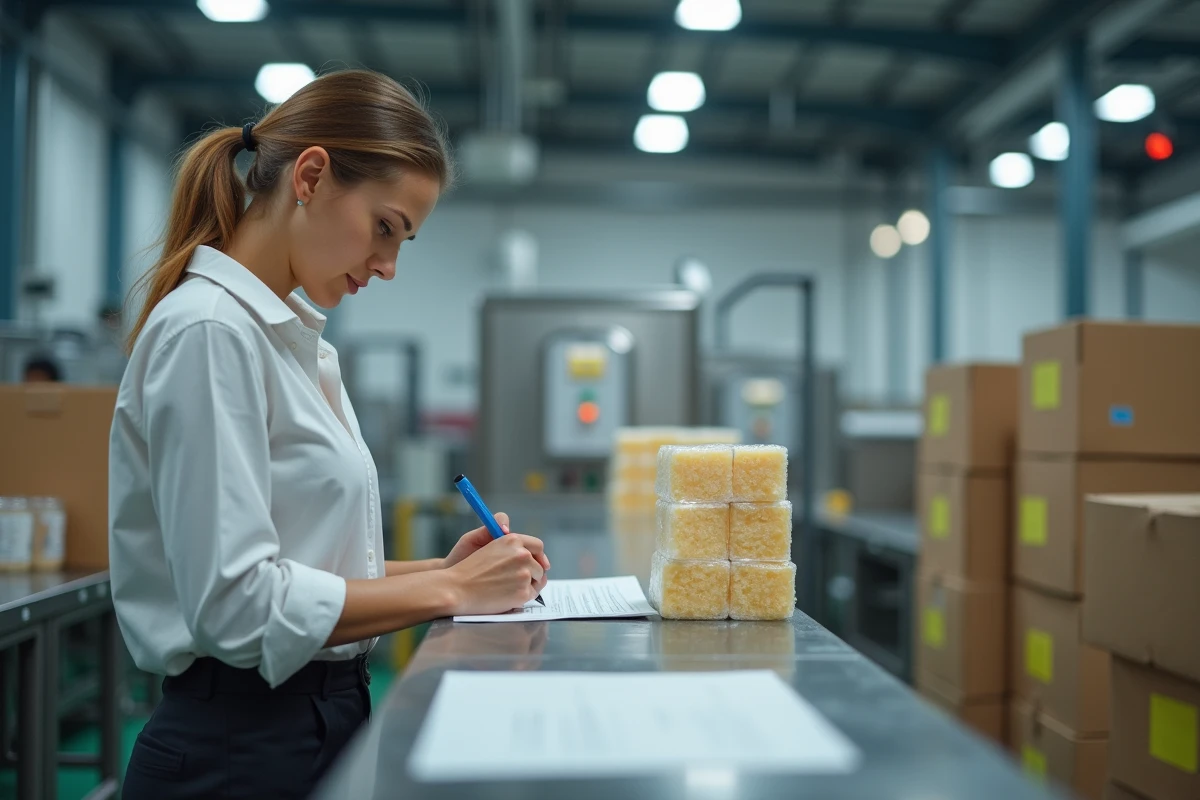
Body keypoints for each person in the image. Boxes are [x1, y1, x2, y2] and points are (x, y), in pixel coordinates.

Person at [108, 69, 551, 799]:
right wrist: (449, 589)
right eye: (386, 229)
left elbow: (298, 564)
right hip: (240, 747)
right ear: (310, 176)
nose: (387, 266)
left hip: (306, 723)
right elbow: (237, 606)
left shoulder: (292, 344)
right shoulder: (211, 332)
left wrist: (443, 569)